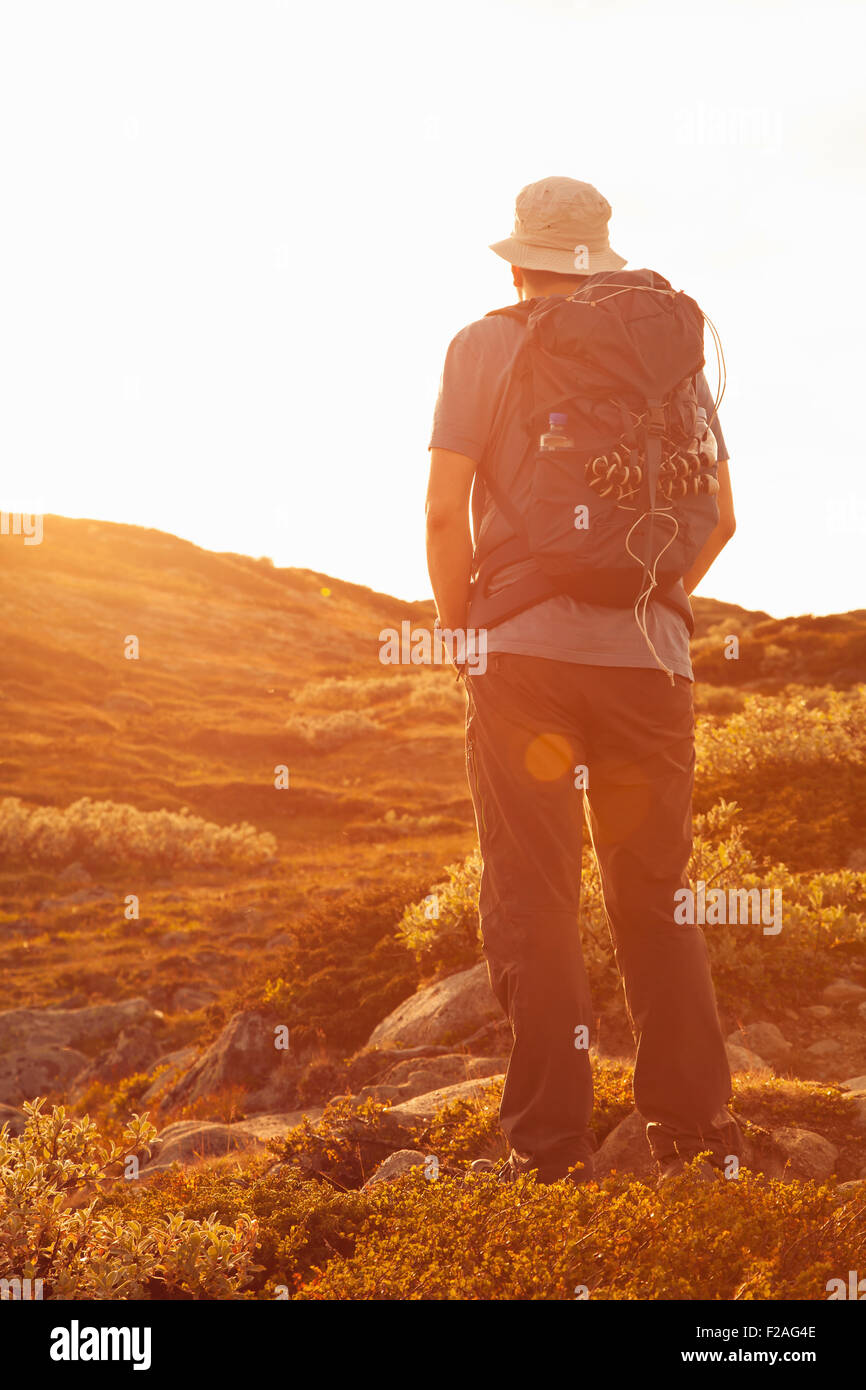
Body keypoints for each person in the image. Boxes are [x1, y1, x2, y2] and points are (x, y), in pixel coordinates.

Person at [425, 176, 740, 1187]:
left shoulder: (483, 344)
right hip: (652, 663)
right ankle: (695, 1132)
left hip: (522, 661)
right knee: (656, 895)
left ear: (517, 260)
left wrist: (465, 630)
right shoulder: (664, 356)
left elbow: (442, 514)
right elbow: (721, 517)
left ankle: (548, 1150)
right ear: (597, 260)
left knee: (534, 894)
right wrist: (643, 604)